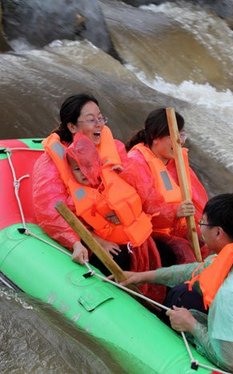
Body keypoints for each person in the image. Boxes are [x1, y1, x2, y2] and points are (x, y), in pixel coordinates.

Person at [121, 193, 233, 373]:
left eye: (202, 223)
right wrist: (142, 276)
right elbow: (196, 270)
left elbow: (230, 362)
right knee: (181, 293)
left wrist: (191, 325)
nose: (200, 228)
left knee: (179, 301)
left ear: (218, 232)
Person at [31, 93, 165, 301]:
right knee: (121, 263)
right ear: (72, 127)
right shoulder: (51, 163)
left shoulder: (113, 148)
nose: (99, 125)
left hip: (129, 232)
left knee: (168, 255)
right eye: (91, 120)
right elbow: (49, 210)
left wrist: (125, 178)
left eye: (101, 118)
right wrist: (84, 240)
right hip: (96, 238)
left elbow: (141, 191)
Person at [122, 108, 209, 266]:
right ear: (156, 137)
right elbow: (148, 207)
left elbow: (198, 202)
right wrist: (175, 211)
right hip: (150, 234)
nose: (180, 142)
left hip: (179, 229)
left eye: (182, 135)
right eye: (175, 136)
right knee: (183, 253)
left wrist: (206, 227)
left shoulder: (177, 162)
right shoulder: (136, 162)